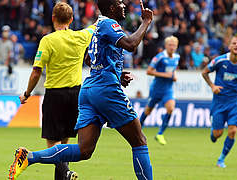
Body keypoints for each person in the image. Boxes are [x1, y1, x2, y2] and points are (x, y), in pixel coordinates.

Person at [8, 0, 153, 180]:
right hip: (104, 90)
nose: (124, 5)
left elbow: (89, 58)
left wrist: (115, 71)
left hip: (88, 90)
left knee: (83, 150)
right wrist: (146, 22)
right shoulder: (108, 23)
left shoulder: (98, 25)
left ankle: (29, 157)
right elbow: (131, 45)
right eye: (120, 3)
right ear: (112, 7)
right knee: (140, 142)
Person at [9, 2, 97, 180]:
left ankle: (64, 172)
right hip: (76, 96)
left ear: (53, 18)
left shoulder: (48, 40)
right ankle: (64, 175)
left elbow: (36, 71)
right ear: (72, 19)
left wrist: (27, 93)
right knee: (64, 146)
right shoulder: (81, 36)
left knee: (53, 145)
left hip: (55, 96)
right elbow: (95, 27)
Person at [201, 36, 237, 168]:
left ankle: (221, 159)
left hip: (234, 103)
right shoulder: (220, 61)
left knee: (233, 131)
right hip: (219, 102)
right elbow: (204, 72)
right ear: (229, 47)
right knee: (217, 135)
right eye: (234, 43)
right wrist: (212, 86)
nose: (236, 45)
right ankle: (214, 133)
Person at [140, 36, 180, 145]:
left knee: (171, 108)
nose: (172, 47)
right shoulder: (160, 57)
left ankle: (160, 133)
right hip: (156, 89)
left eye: (174, 45)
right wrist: (165, 75)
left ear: (176, 47)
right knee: (148, 111)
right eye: (170, 45)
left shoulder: (177, 57)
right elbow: (149, 71)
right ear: (166, 46)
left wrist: (174, 76)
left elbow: (173, 70)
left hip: (168, 89)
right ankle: (137, 130)